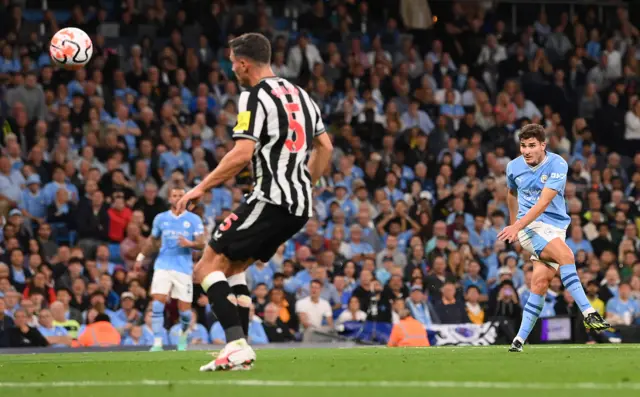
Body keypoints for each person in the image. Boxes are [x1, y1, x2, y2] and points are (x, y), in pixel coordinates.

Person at [176, 32, 333, 371]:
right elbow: (326, 148)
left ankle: (236, 343)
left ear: (243, 63)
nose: (232, 69)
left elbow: (242, 154)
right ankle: (240, 349)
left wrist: (199, 188)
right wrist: (306, 182)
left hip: (271, 198)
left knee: (205, 267)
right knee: (233, 267)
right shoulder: (301, 94)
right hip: (299, 206)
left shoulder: (253, 97)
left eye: (233, 64)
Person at [499, 124, 609, 353]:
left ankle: (518, 340)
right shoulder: (513, 167)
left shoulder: (557, 164)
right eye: (523, 146)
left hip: (556, 227)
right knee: (567, 256)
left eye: (531, 146)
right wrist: (515, 225)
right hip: (531, 227)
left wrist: (515, 225)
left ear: (542, 146)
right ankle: (589, 313)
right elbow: (511, 193)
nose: (526, 150)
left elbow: (544, 203)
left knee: (539, 283)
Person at [135, 187, 205, 352]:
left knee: (185, 312)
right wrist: (140, 257)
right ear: (169, 198)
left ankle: (182, 336)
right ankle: (157, 342)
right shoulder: (161, 218)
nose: (178, 198)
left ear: (186, 198)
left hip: (183, 268)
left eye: (181, 195)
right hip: (163, 265)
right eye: (175, 195)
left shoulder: (194, 219)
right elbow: (152, 240)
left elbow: (202, 244)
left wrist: (190, 244)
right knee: (157, 304)